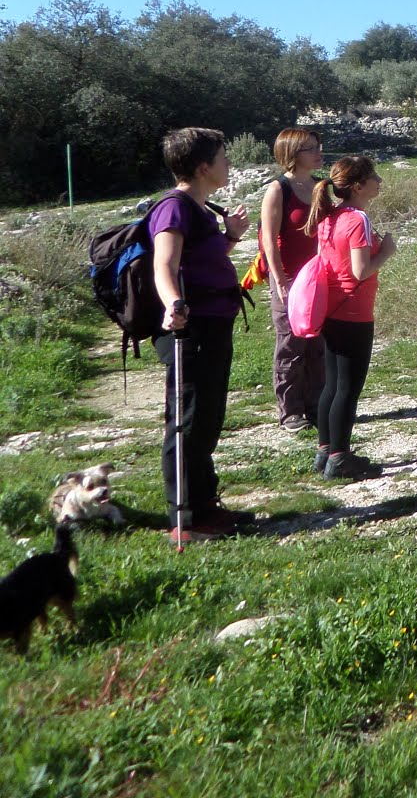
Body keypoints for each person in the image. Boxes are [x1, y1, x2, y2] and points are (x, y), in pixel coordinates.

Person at [149, 127, 251, 543]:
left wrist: (230, 238)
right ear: (203, 167)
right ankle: (186, 519)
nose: (229, 164)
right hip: (190, 328)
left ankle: (206, 507)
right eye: (224, 158)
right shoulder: (173, 209)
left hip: (211, 324)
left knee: (207, 419)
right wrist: (174, 305)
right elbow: (164, 265)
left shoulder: (201, 209)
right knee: (188, 420)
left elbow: (202, 261)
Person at [304, 155, 397, 480]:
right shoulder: (357, 219)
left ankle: (325, 450)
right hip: (354, 312)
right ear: (358, 186)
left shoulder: (331, 216)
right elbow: (359, 271)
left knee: (332, 384)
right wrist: (386, 251)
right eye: (374, 177)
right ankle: (341, 458)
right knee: (348, 388)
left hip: (331, 309)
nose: (379, 182)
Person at [258, 128, 325, 431]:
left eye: (317, 146)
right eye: (311, 148)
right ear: (292, 154)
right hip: (288, 277)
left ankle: (315, 406)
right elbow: (269, 240)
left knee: (317, 343)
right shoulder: (278, 189)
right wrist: (280, 280)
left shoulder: (321, 187)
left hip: (318, 277)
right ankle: (290, 410)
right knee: (290, 342)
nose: (318, 152)